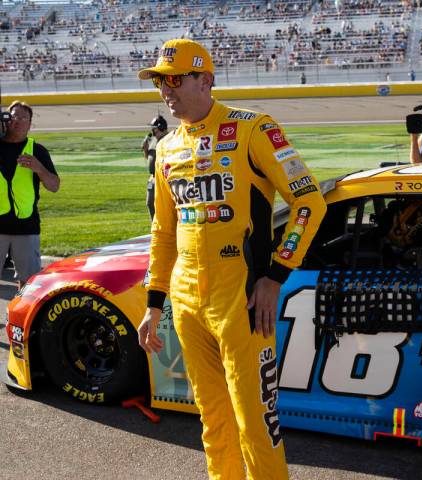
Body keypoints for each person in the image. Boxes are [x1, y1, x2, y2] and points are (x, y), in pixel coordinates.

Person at [135, 38, 326, 480]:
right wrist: (153, 303)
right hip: (186, 301)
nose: (166, 89)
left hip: (240, 298)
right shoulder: (166, 148)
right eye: (161, 80)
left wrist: (276, 276)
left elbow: (310, 202)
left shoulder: (253, 128)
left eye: (176, 78)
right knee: (213, 422)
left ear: (206, 79)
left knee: (256, 422)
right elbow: (163, 233)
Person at [0, 101, 60, 288]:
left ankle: (20, 317)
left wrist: (38, 167)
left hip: (26, 226)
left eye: (23, 117)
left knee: (28, 283)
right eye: (14, 116)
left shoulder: (38, 151)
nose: (17, 121)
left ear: (30, 124)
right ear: (6, 120)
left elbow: (54, 186)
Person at [141, 115, 169, 220]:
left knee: (164, 205)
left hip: (162, 177)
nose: (152, 131)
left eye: (154, 128)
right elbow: (149, 157)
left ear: (160, 127)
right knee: (150, 203)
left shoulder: (169, 139)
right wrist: (146, 149)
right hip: (152, 177)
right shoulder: (154, 140)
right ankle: (155, 227)